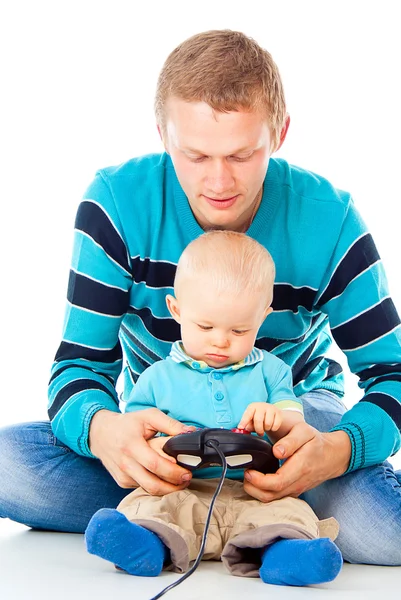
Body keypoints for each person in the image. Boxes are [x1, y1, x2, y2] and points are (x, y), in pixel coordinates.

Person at [0, 29, 400, 566]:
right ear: (163, 136)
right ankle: (248, 520)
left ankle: (240, 510)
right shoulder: (116, 203)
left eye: (240, 154)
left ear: (278, 133)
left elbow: (392, 374)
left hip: (292, 423)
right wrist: (105, 432)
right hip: (171, 427)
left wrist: (337, 452)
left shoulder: (331, 219)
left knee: (387, 537)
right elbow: (78, 366)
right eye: (194, 155)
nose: (218, 181)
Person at [84, 230, 342, 586]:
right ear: (176, 309)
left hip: (257, 490)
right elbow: (135, 434)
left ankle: (287, 556)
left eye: (239, 330)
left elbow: (294, 424)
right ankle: (142, 545)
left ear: (263, 318)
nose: (220, 340)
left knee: (291, 511)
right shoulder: (157, 378)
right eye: (205, 326)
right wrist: (156, 445)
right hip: (183, 487)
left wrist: (278, 419)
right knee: (149, 505)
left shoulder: (272, 371)